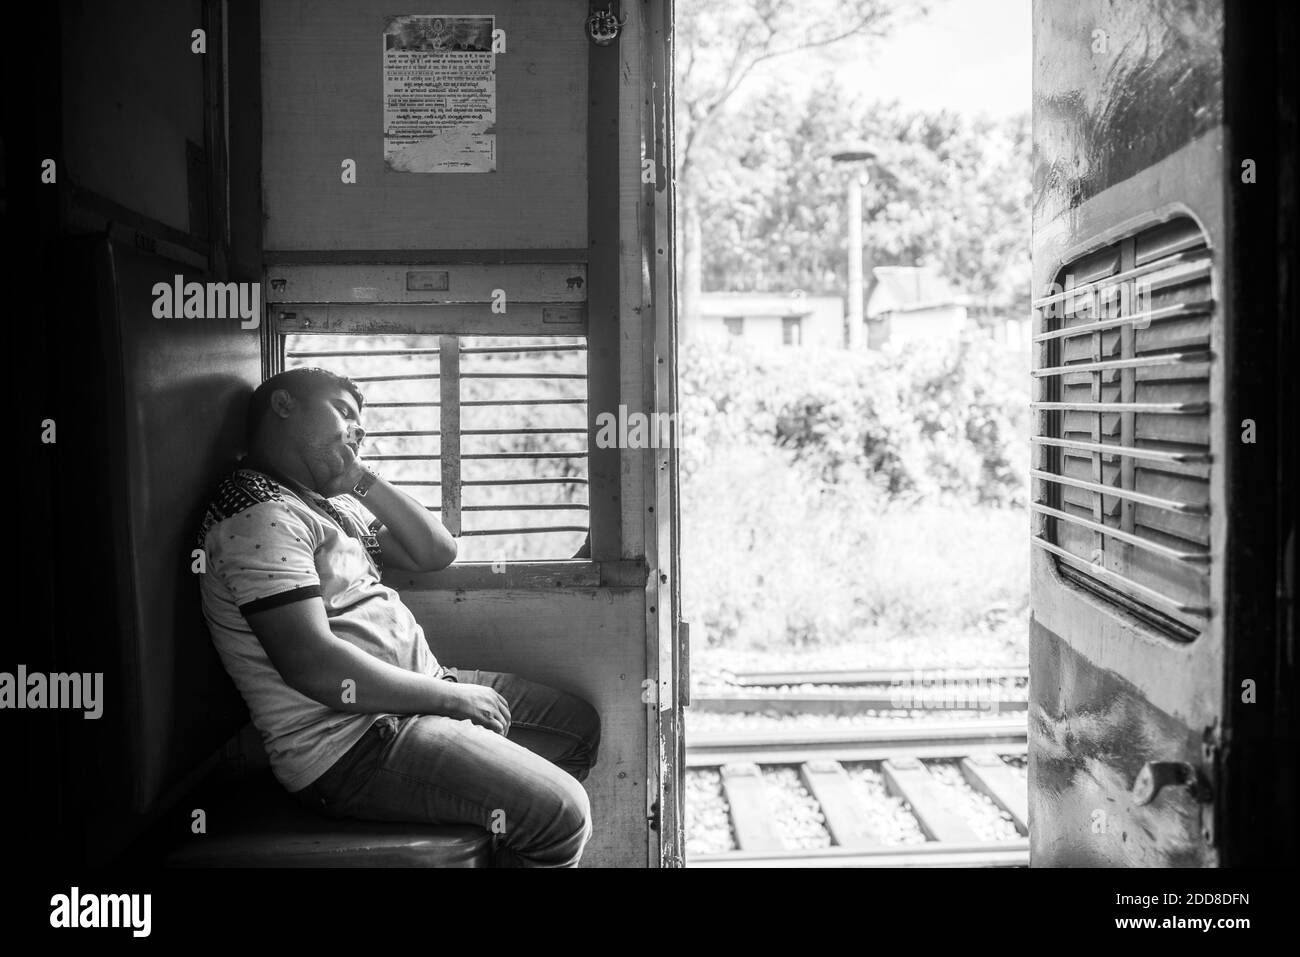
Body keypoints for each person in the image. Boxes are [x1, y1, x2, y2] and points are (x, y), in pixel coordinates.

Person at [196, 367, 600, 867]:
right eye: (343, 412)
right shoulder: (258, 513)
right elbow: (311, 664)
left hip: (415, 695)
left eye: (361, 424)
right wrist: (452, 699)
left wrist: (362, 479)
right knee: (562, 813)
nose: (356, 430)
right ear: (283, 405)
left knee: (576, 731)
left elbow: (436, 551)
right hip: (355, 743)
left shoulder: (327, 506)